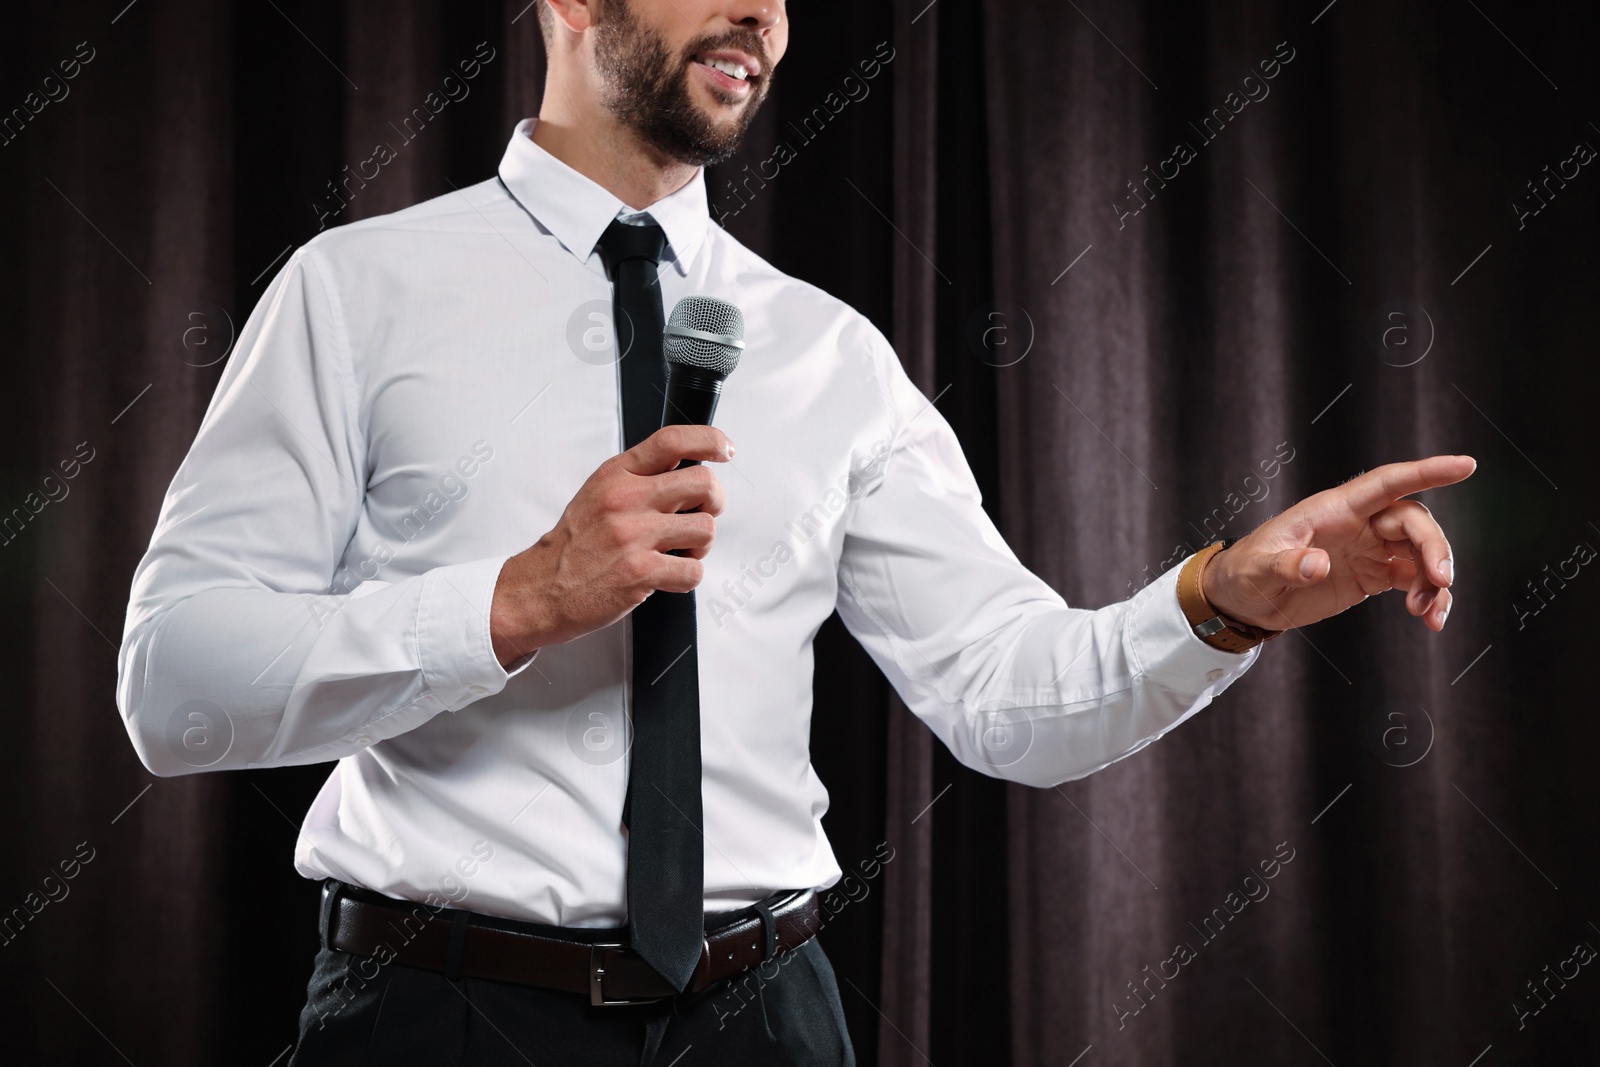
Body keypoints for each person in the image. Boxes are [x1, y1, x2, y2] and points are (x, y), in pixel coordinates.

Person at [114, 0, 1473, 1063]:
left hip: (765, 1023)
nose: (762, 17)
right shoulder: (356, 294)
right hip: (437, 1018)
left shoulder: (834, 354)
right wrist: (519, 601)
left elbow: (1009, 701)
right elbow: (175, 689)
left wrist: (1225, 600)